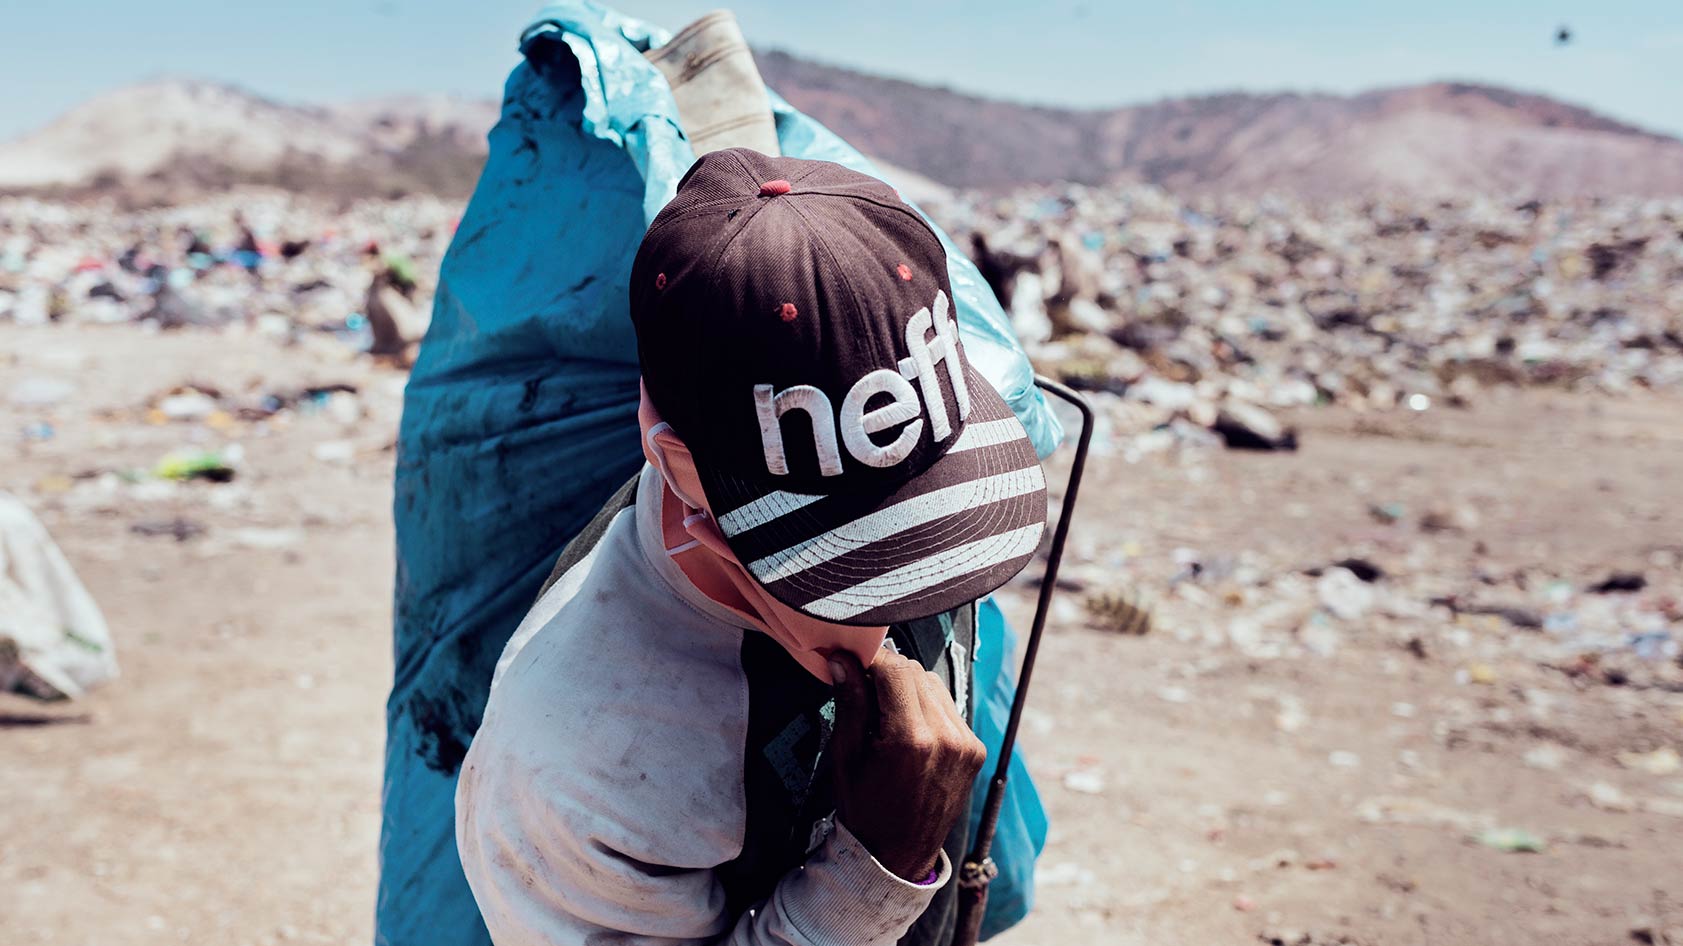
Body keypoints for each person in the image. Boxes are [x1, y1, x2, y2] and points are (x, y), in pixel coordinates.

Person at [455, 149, 1049, 946]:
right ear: (679, 467)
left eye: (922, 526)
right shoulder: (578, 758)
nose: (899, 614)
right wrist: (875, 869)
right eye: (850, 565)